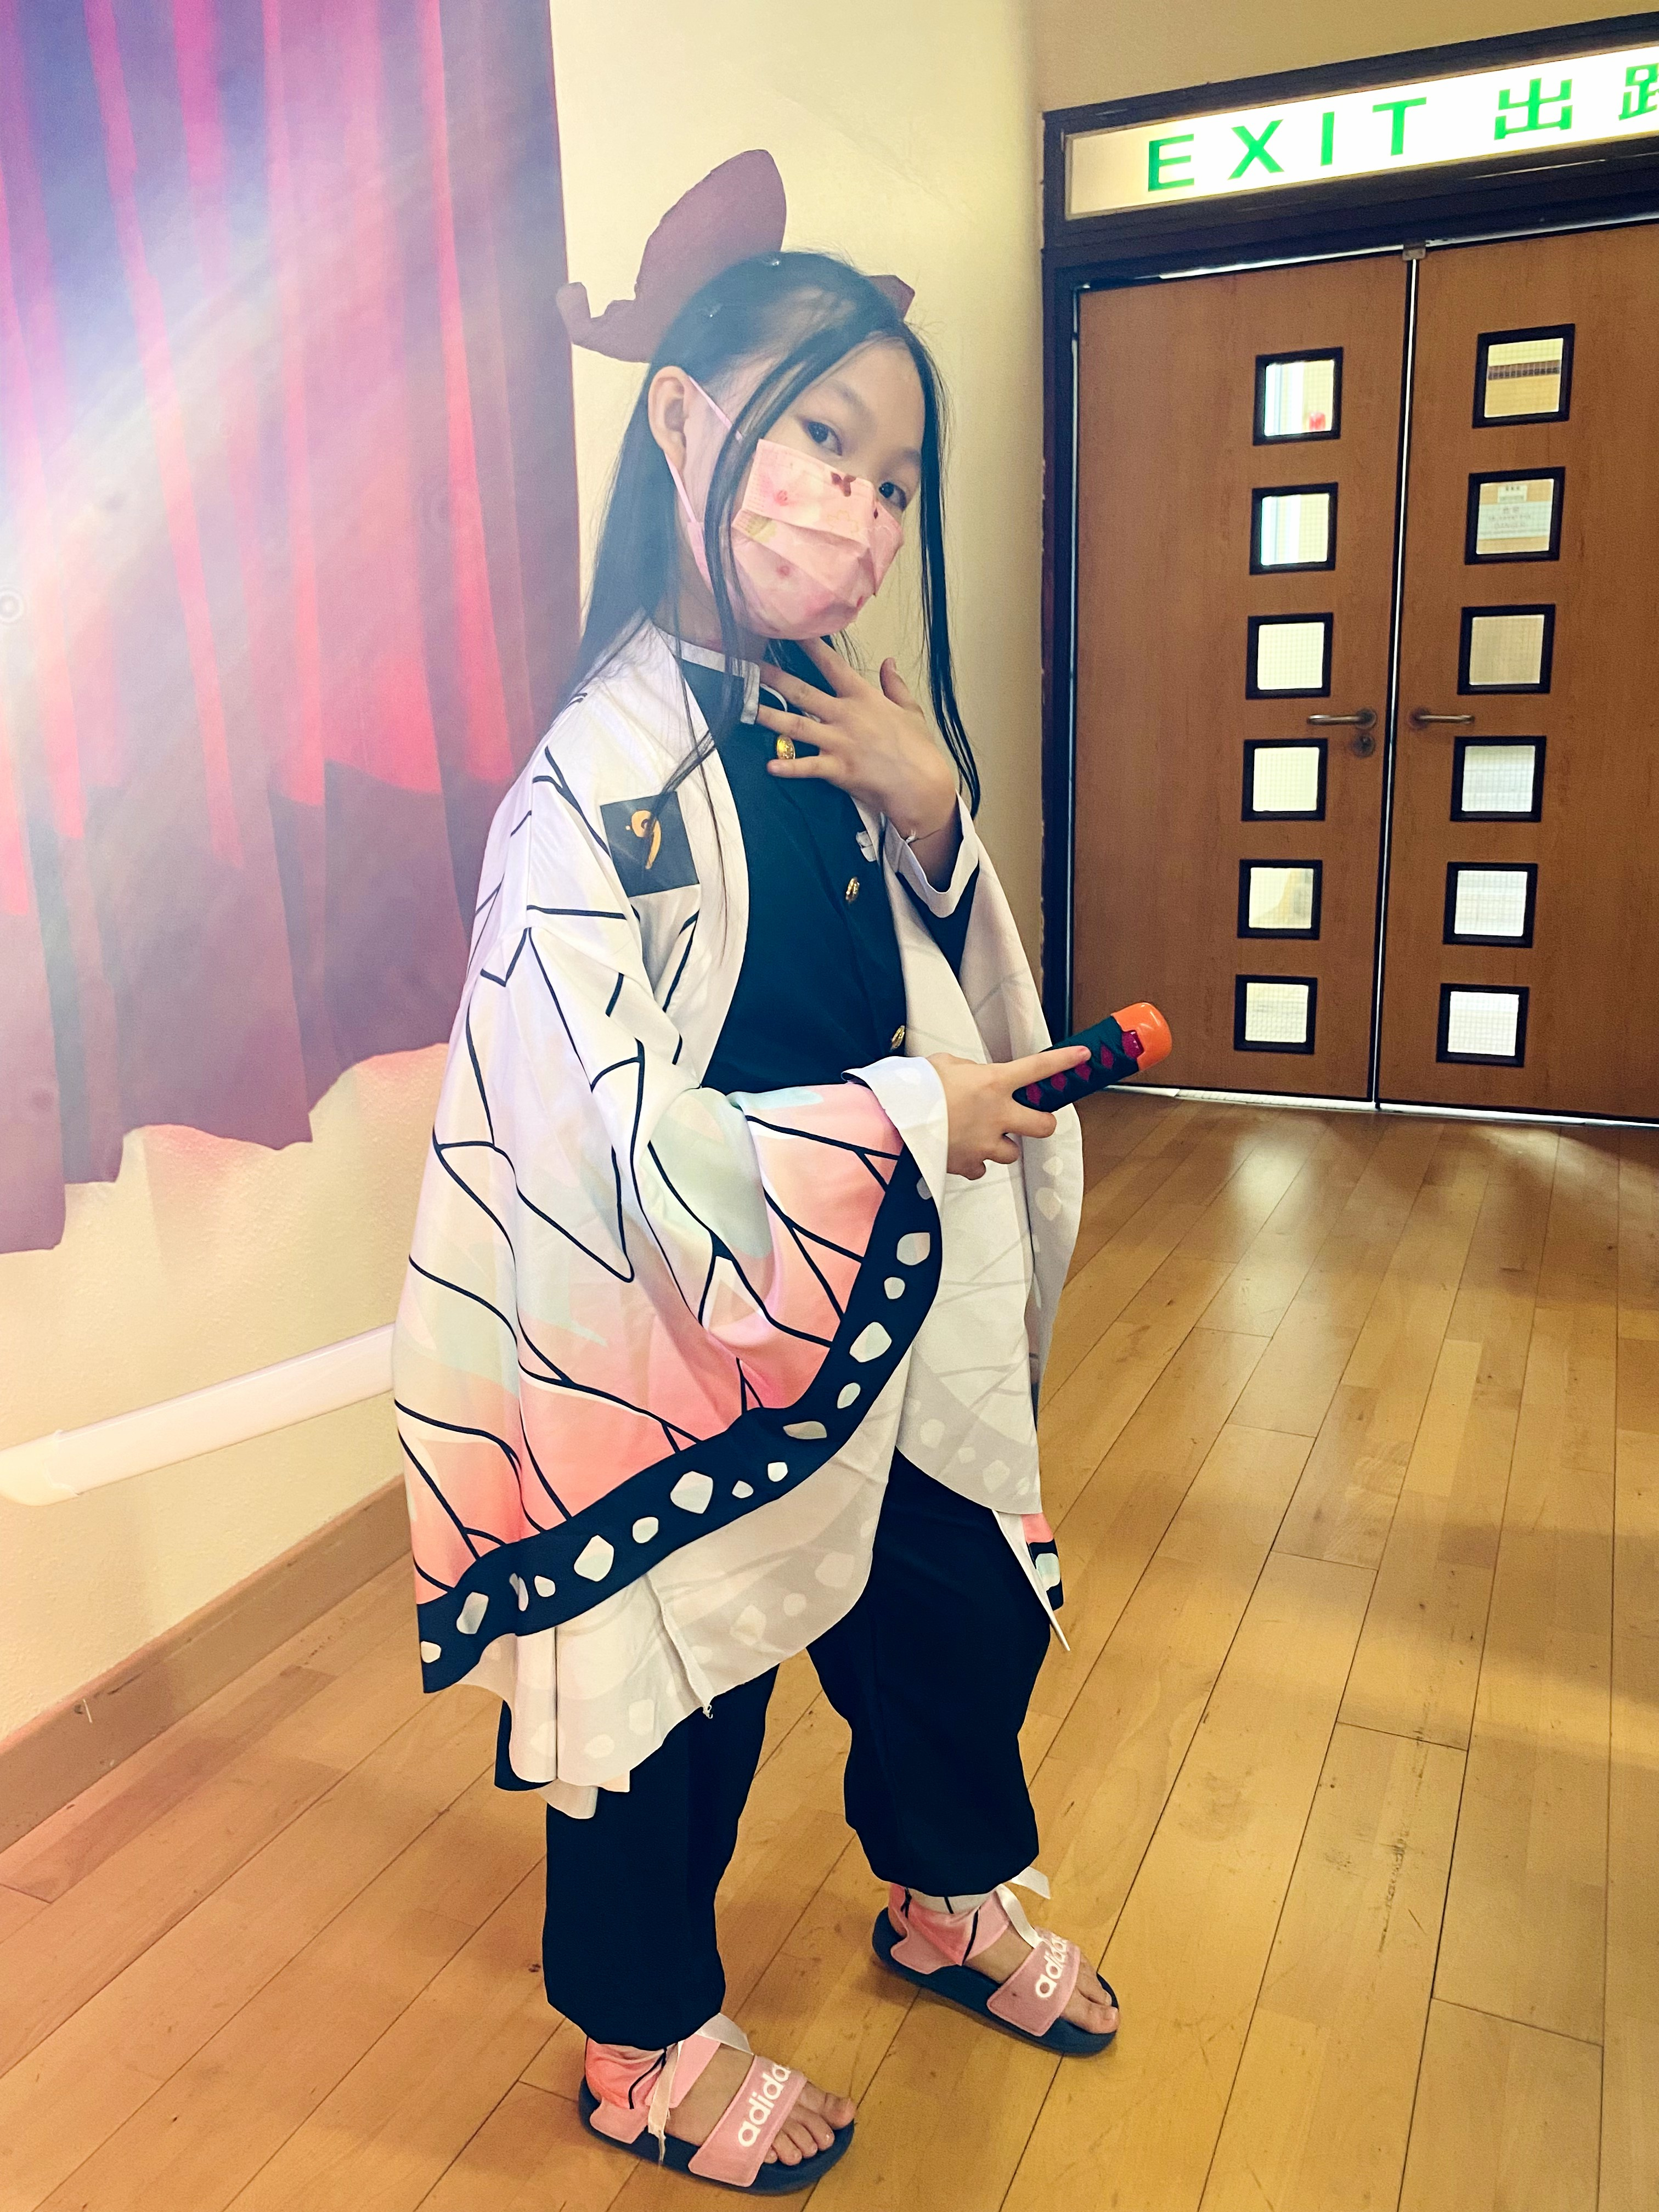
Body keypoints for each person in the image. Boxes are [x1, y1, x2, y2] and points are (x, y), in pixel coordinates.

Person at [392, 160, 1117, 2197]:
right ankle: (641, 2040)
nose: (861, 512)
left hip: (882, 1276)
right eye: (825, 445)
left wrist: (939, 816)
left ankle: (946, 1894)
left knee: (954, 1610)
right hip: (678, 1327)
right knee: (674, 1695)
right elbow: (586, 1137)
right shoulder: (588, 783)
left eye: (896, 482)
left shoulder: (841, 716)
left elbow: (930, 967)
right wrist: (902, 1122)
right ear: (687, 421)